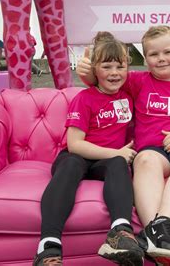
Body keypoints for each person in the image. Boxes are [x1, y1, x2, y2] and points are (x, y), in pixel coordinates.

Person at [77, 26, 170, 266]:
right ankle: (159, 236)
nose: (161, 58)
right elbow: (106, 78)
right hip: (152, 150)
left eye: (168, 52)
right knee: (144, 161)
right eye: (153, 54)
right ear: (145, 59)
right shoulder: (138, 81)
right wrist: (86, 73)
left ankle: (159, 227)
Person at [33, 32, 143, 266]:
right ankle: (48, 245)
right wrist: (117, 152)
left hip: (107, 161)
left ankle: (120, 233)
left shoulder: (128, 96)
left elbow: (159, 79)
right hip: (78, 157)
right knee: (73, 162)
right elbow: (75, 145)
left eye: (120, 66)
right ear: (94, 70)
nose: (114, 73)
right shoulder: (84, 99)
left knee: (118, 164)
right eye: (107, 66)